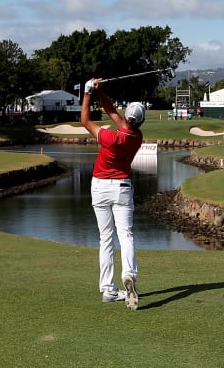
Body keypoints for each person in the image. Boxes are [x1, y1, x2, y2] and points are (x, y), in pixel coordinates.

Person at [80, 77, 145, 311]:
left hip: (99, 188)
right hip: (122, 189)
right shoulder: (136, 137)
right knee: (125, 234)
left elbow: (85, 120)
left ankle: (108, 289)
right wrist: (101, 91)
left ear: (126, 117)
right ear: (140, 121)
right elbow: (113, 113)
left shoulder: (110, 137)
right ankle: (129, 274)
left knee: (105, 238)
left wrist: (88, 92)